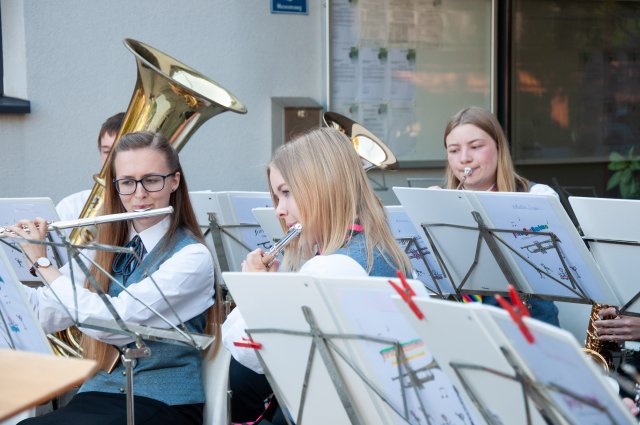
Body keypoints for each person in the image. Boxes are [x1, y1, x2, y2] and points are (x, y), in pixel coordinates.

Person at [13, 131, 222, 425]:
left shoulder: (192, 257)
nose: (139, 195)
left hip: (162, 403)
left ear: (174, 181)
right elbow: (43, 312)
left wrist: (43, 262)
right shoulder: (103, 251)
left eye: (151, 180)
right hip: (99, 395)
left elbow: (116, 324)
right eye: (127, 182)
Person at [222, 127, 413, 423]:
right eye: (277, 196)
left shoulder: (331, 269)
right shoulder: (378, 249)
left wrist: (253, 289)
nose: (279, 211)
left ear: (322, 187)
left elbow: (251, 351)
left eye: (287, 193)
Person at [439, 106, 560, 326]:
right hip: (465, 324)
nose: (464, 158)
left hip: (529, 324)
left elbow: (550, 270)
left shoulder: (537, 196)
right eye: (454, 150)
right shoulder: (441, 201)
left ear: (499, 147)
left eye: (475, 147)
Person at [56, 112, 125, 222]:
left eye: (120, 151)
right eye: (107, 151)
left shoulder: (149, 207)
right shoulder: (71, 207)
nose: (111, 160)